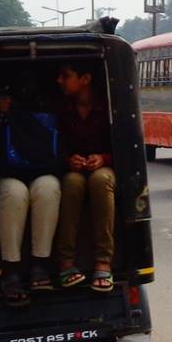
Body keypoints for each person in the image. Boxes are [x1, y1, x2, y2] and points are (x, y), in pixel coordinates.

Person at [0, 83, 63, 305]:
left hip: (40, 169)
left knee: (48, 188)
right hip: (5, 171)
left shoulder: (47, 103)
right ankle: (11, 268)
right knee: (14, 193)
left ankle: (40, 264)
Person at [54, 62, 116, 293]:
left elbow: (124, 147)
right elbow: (55, 149)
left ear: (85, 79)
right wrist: (69, 160)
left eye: (65, 75)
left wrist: (103, 158)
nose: (59, 81)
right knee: (71, 183)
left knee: (100, 180)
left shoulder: (109, 106)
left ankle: (103, 261)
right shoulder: (61, 108)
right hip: (75, 171)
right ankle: (66, 262)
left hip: (105, 168)